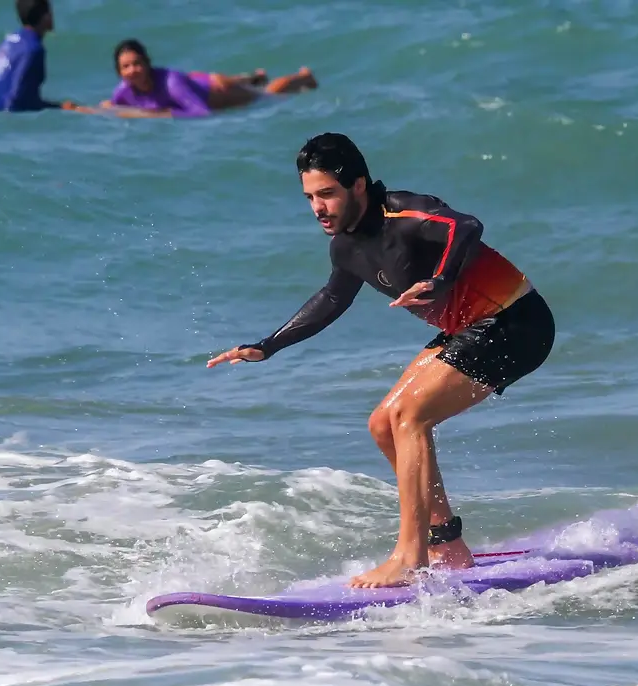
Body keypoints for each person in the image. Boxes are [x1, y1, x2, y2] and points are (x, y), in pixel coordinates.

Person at [207, 133, 556, 588]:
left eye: (327, 194)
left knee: (409, 416)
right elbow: (332, 297)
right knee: (382, 423)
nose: (317, 207)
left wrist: (439, 279)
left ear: (358, 185)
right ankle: (446, 542)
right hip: (468, 328)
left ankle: (410, 555)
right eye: (310, 197)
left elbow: (464, 226)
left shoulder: (404, 212)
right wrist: (268, 345)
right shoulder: (347, 247)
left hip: (517, 321)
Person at [102, 39, 318, 118]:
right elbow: (113, 107)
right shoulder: (123, 91)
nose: (133, 70)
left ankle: (303, 77)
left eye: (137, 63)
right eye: (126, 67)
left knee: (267, 95)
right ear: (119, 71)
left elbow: (200, 112)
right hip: (195, 82)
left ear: (148, 63)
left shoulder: (170, 82)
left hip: (216, 92)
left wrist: (158, 115)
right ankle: (249, 77)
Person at [0, 0, 77, 112]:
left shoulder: (7, 43)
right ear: (45, 17)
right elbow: (17, 101)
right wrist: (60, 107)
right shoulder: (34, 49)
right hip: (12, 122)